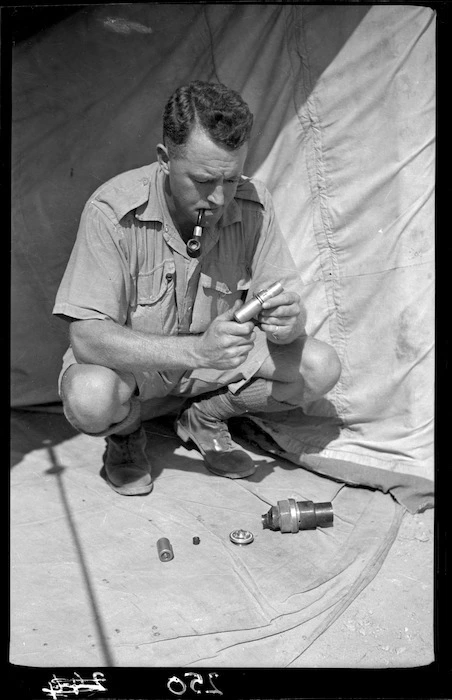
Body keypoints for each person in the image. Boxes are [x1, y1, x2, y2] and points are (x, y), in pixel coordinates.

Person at [53, 80, 341, 496]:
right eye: (205, 180)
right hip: (143, 367)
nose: (220, 198)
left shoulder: (254, 203)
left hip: (214, 366)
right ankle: (127, 434)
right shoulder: (111, 210)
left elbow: (285, 308)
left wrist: (287, 322)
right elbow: (86, 339)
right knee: (90, 398)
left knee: (320, 368)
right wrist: (195, 350)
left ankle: (207, 416)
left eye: (231, 178)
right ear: (164, 159)